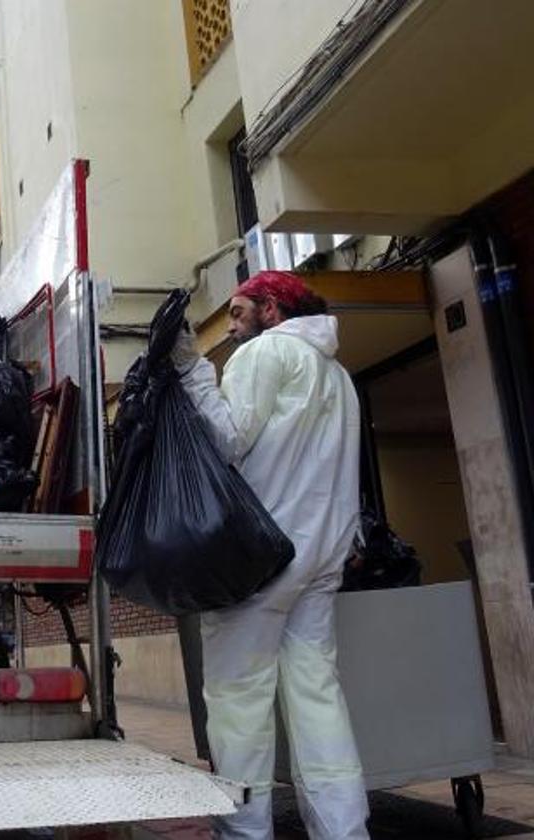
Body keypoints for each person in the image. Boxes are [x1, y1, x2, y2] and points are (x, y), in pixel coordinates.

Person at [171, 270, 369, 839]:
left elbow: (230, 438)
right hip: (322, 556)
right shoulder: (338, 375)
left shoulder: (264, 355)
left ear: (272, 310)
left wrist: (191, 369)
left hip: (261, 559)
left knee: (238, 701)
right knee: (318, 698)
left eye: (238, 312)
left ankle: (245, 832)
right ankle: (344, 830)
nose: (231, 325)